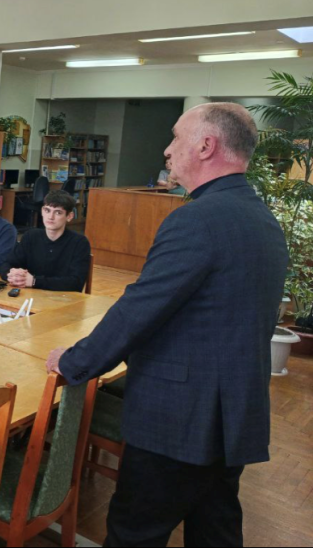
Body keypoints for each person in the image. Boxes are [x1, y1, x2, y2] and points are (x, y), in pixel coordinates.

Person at [46, 103, 289, 547]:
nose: (167, 148)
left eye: (176, 137)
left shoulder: (195, 219)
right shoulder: (261, 218)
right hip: (231, 414)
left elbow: (139, 309)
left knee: (134, 534)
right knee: (214, 530)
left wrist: (75, 362)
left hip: (179, 419)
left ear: (205, 145)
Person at [0, 190, 91, 292]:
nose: (50, 217)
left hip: (62, 301)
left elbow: (76, 283)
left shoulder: (80, 243)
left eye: (58, 212)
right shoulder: (31, 236)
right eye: (47, 210)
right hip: (31, 297)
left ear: (69, 216)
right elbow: (6, 264)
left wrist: (34, 281)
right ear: (42, 211)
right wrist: (11, 274)